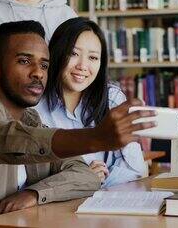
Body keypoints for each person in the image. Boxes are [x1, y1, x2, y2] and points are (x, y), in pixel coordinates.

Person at [0, 21, 155, 227]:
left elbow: (86, 176)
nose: (37, 73)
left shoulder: (31, 120)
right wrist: (96, 137)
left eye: (44, 65)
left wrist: (34, 193)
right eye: (24, 61)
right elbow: (6, 140)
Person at [36, 17, 147, 187]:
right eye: (73, 54)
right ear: (57, 53)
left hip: (104, 202)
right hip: (51, 206)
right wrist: (83, 178)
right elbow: (29, 177)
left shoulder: (112, 98)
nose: (83, 65)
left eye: (93, 58)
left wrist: (97, 182)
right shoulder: (34, 104)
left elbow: (134, 170)